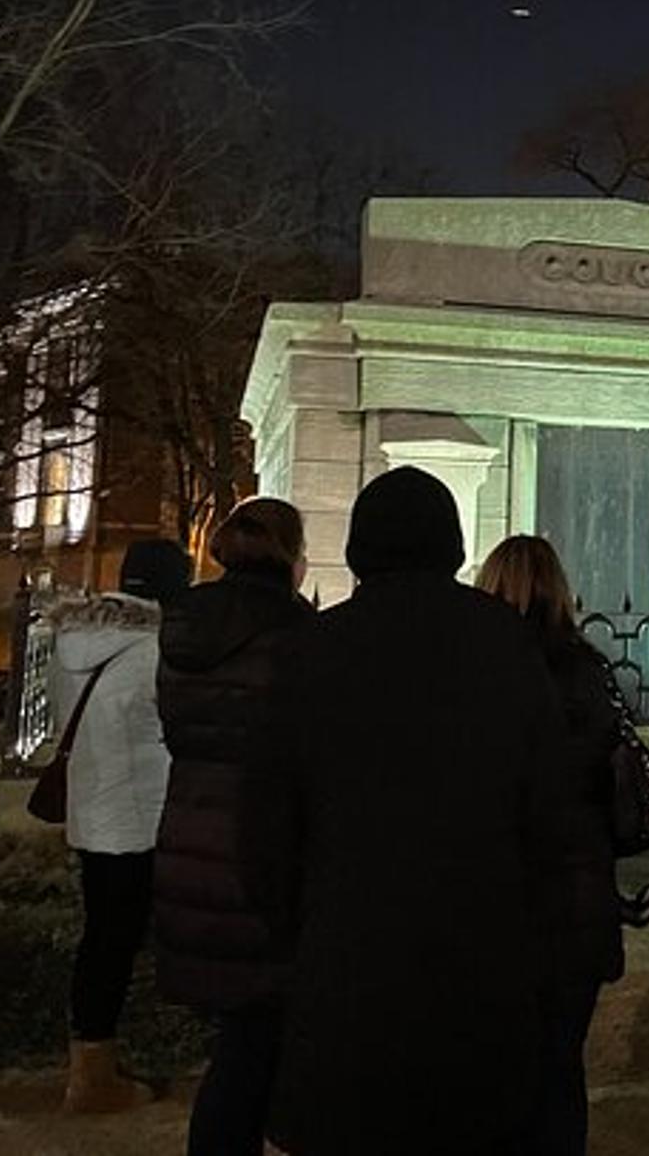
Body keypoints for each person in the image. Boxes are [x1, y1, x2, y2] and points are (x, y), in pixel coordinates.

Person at [240, 468, 563, 1155]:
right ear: (452, 545)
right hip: (481, 960)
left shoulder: (308, 651)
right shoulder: (507, 645)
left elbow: (264, 826)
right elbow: (550, 816)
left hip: (346, 963)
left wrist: (297, 930)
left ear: (360, 549)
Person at [154, 498, 317, 1156]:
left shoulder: (184, 627)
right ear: (292, 555)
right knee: (261, 1043)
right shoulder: (298, 635)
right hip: (265, 851)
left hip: (191, 837)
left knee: (240, 1037)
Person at [477, 534, 626, 1156]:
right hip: (574, 894)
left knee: (487, 1069)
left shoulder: (472, 669)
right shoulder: (588, 668)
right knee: (561, 1066)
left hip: (491, 898)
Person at [46, 537, 190, 1112]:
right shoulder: (155, 652)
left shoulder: (73, 642)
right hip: (143, 817)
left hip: (92, 813)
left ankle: (90, 1060)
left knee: (103, 938)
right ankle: (93, 1079)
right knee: (122, 941)